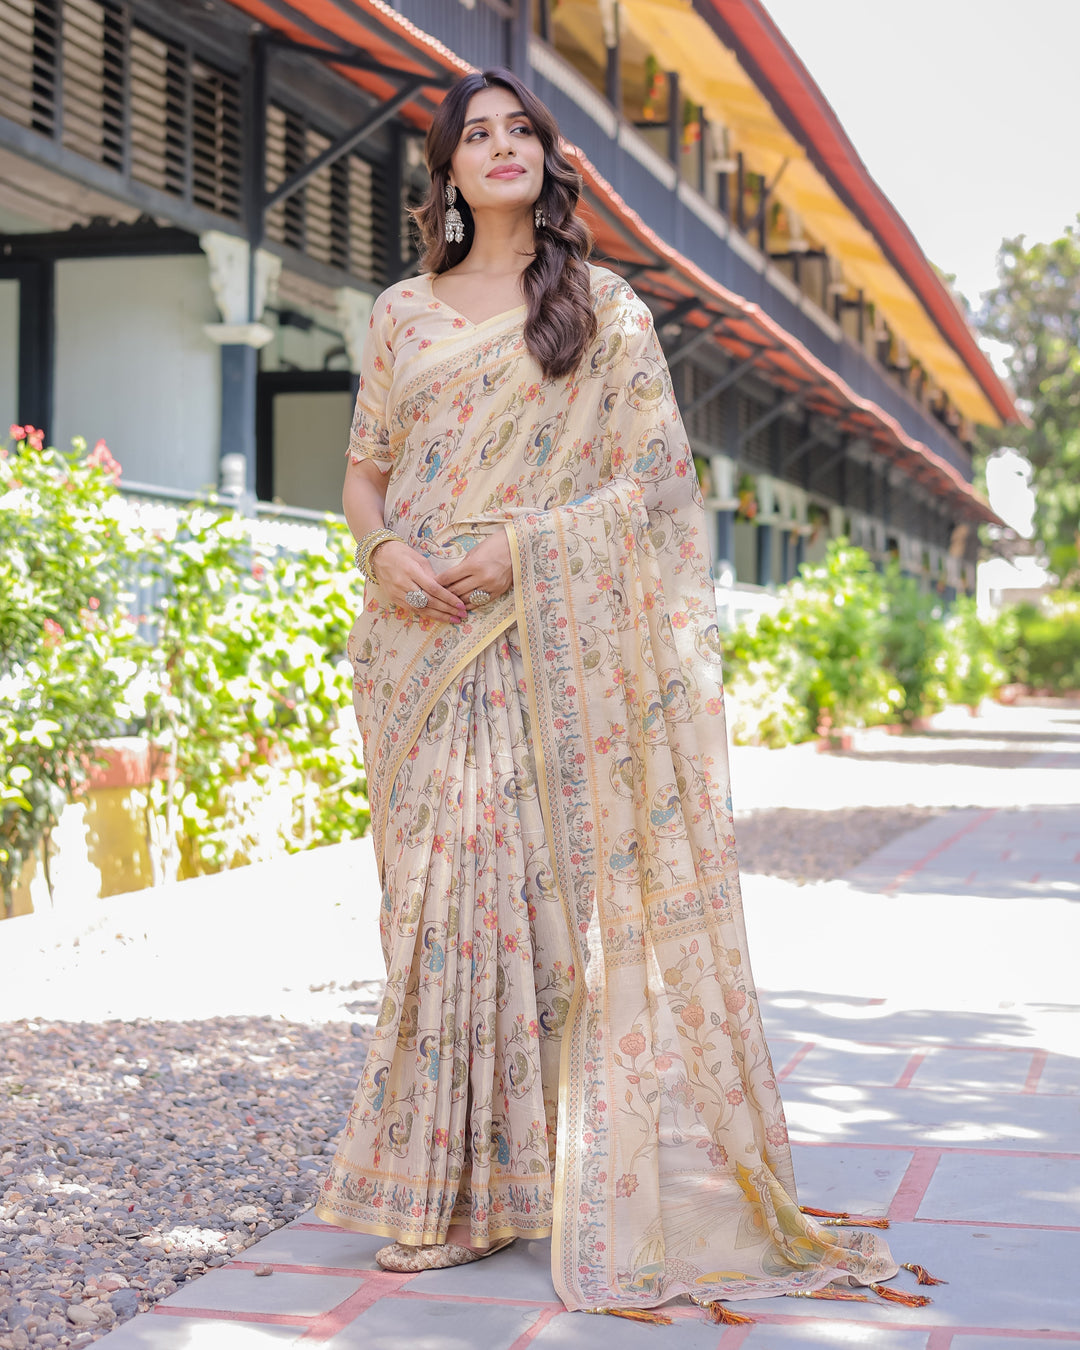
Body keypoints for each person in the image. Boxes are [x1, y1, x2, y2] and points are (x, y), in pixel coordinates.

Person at [316, 66, 903, 1318]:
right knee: (430, 910)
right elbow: (362, 475)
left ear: (545, 156)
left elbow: (655, 488)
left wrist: (518, 549)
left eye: (520, 127)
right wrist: (386, 555)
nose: (501, 145)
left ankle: (528, 1184)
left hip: (537, 633)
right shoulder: (402, 313)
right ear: (449, 174)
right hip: (419, 637)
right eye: (476, 134)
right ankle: (439, 1188)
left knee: (533, 911)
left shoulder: (602, 310)